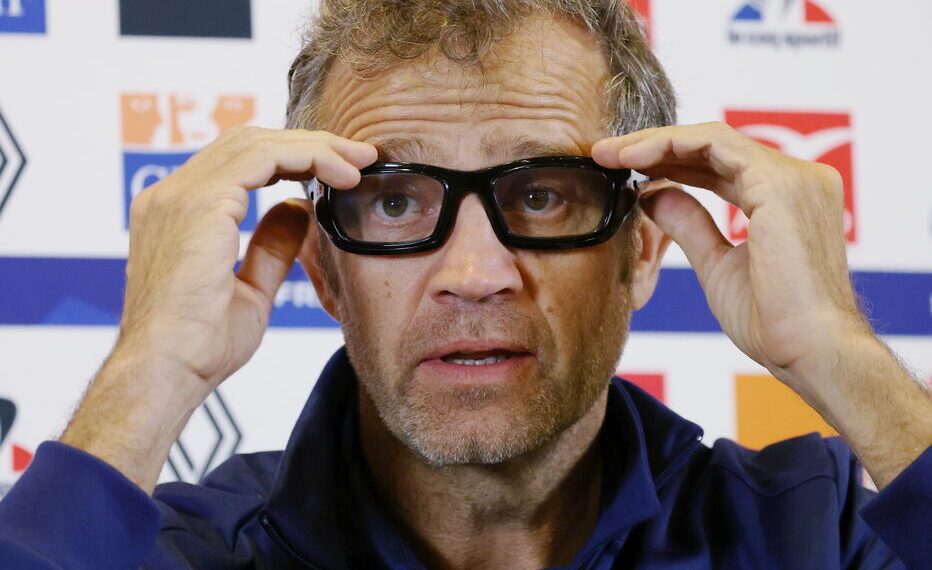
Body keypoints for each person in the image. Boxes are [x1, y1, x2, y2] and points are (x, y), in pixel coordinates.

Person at [1, 1, 929, 568]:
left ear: (641, 254)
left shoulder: (822, 534)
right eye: (394, 202)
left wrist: (838, 352)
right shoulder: (180, 555)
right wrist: (149, 374)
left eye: (541, 195)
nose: (477, 276)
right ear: (324, 270)